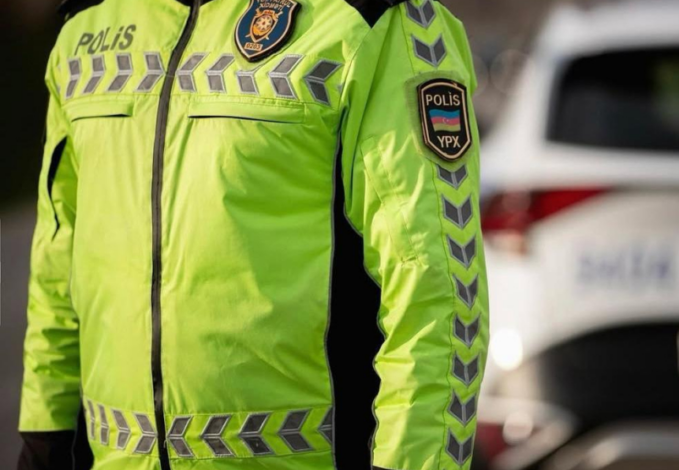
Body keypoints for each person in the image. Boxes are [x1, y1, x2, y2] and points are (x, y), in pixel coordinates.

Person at [18, 0, 490, 469]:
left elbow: (437, 292)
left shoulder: (366, 17)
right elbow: (59, 259)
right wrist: (43, 436)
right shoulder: (87, 25)